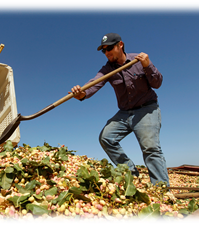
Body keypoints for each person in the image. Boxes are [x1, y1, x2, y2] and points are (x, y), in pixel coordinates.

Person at [67, 33, 168, 183]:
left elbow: (157, 83)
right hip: (124, 112)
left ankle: (162, 190)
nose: (107, 53)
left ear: (120, 45)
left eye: (110, 48)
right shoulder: (107, 69)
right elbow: (94, 83)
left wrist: (148, 65)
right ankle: (131, 174)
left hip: (146, 110)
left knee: (150, 149)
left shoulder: (138, 60)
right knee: (106, 138)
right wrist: (81, 94)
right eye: (104, 50)